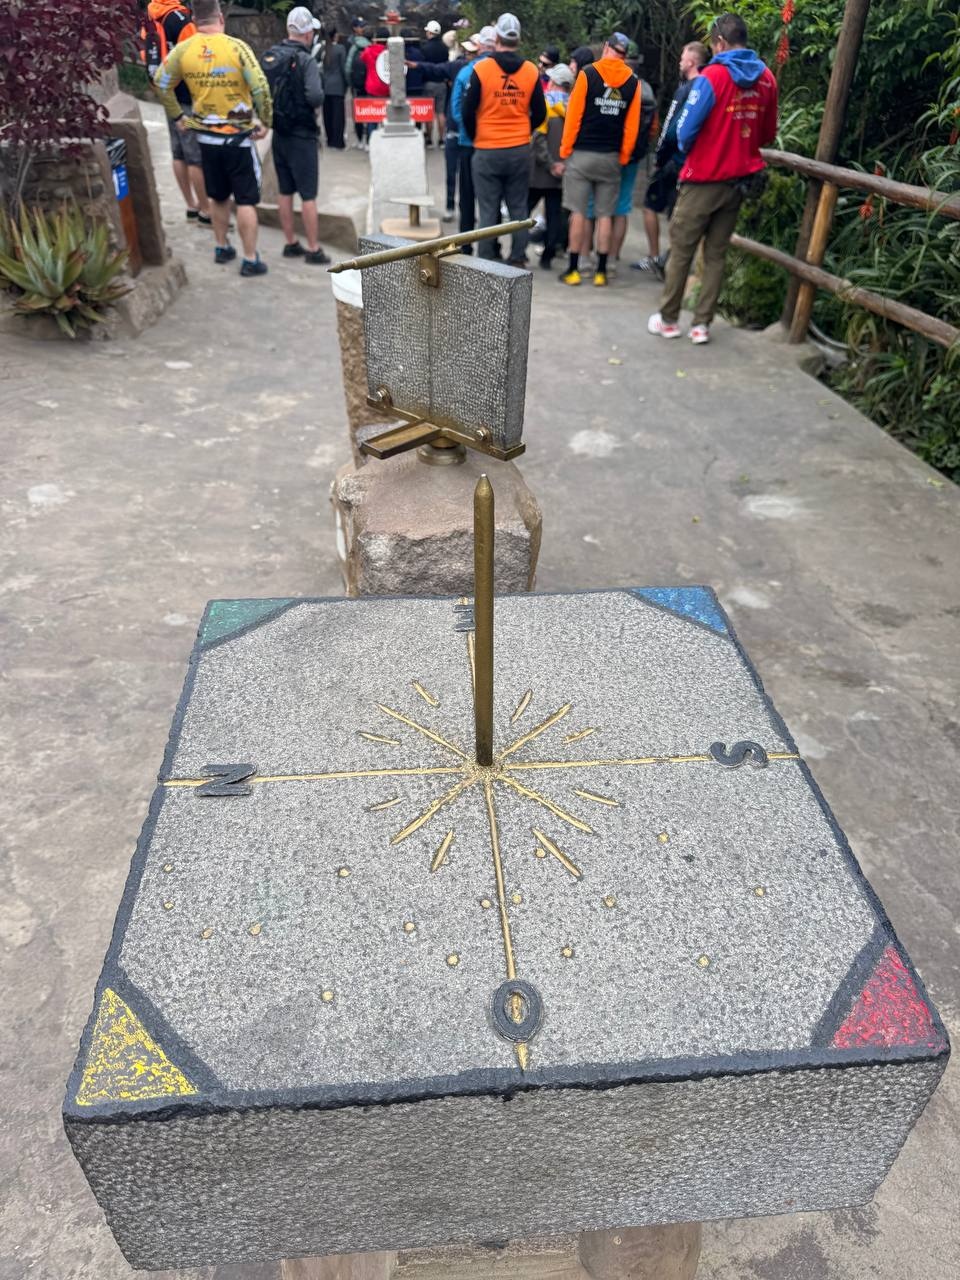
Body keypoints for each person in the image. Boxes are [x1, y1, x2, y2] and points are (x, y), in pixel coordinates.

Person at [648, 12, 778, 344]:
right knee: (716, 254)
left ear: (719, 42)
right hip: (738, 181)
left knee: (682, 251)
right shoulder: (767, 79)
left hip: (702, 179)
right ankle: (701, 325)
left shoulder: (712, 77)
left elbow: (684, 132)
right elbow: (767, 134)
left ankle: (668, 319)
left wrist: (699, 147)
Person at [155, 0, 272, 276]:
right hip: (238, 139)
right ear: (221, 17)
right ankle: (250, 259)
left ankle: (221, 247)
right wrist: (266, 122)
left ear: (195, 20)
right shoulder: (237, 47)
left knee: (218, 197)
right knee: (245, 200)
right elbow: (261, 88)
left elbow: (161, 82)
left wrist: (178, 117)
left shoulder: (184, 50)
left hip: (206, 140)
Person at [556, 32, 640, 287]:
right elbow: (632, 126)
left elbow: (574, 116)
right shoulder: (633, 82)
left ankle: (574, 270)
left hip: (582, 155)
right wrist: (624, 155)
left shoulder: (588, 74)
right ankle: (601, 271)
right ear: (624, 54)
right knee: (605, 215)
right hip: (611, 157)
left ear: (606, 48)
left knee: (579, 213)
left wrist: (565, 149)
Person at [462, 13, 546, 267]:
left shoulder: (481, 69)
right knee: (518, 208)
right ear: (518, 40)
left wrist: (478, 135)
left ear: (497, 37)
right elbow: (540, 112)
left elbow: (467, 111)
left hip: (487, 149)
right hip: (519, 149)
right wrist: (523, 131)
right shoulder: (531, 71)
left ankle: (487, 259)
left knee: (488, 209)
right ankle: (518, 257)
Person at [261, 7, 330, 266]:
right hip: (302, 135)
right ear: (308, 33)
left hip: (279, 133)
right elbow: (315, 96)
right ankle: (313, 248)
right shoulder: (306, 60)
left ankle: (290, 243)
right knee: (308, 195)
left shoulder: (273, 55)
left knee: (285, 190)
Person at [632, 41, 708, 277]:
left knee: (650, 206)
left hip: (673, 161)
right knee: (678, 214)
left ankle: (656, 257)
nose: (680, 62)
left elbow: (671, 127)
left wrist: (660, 155)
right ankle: (670, 258)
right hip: (694, 162)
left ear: (691, 62)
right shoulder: (709, 88)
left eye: (683, 58)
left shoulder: (686, 90)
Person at [141, 0, 210, 225]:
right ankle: (206, 211)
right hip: (188, 96)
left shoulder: (150, 16)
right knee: (195, 157)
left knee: (178, 153)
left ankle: (190, 206)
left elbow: (145, 54)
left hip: (167, 93)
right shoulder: (180, 19)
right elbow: (196, 59)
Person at [450, 28, 494, 248]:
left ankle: (465, 244)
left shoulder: (466, 73)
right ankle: (491, 245)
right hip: (493, 142)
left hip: (468, 142)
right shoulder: (500, 73)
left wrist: (469, 130)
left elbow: (456, 109)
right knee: (491, 198)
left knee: (467, 196)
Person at [529, 62, 572, 270]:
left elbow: (538, 139)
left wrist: (549, 164)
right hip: (561, 174)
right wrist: (562, 165)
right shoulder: (574, 109)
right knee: (555, 215)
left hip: (539, 172)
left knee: (522, 212)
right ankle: (548, 257)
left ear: (554, 82)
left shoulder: (545, 106)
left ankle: (518, 252)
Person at [420, 19, 448, 145]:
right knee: (440, 113)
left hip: (429, 83)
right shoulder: (444, 48)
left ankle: (430, 139)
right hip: (442, 83)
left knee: (429, 113)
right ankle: (442, 139)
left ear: (430, 33)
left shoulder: (425, 48)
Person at [344, 17, 371, 149]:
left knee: (357, 110)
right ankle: (369, 140)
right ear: (354, 28)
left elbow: (348, 67)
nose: (363, 28)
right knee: (370, 110)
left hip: (356, 83)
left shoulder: (351, 44)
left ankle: (360, 140)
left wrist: (350, 82)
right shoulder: (369, 45)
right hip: (369, 83)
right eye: (361, 26)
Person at [321, 27, 347, 149]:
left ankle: (329, 139)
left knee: (327, 114)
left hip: (326, 85)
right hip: (338, 85)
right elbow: (343, 68)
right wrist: (347, 84)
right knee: (338, 116)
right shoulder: (340, 49)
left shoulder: (323, 48)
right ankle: (338, 140)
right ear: (335, 36)